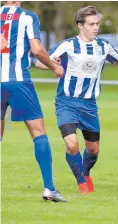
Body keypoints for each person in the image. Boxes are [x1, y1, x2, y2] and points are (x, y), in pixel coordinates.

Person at [35, 6, 118, 194]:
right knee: (71, 144)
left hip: (89, 106)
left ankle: (85, 172)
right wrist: (54, 66)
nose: (96, 27)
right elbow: (39, 62)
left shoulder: (104, 46)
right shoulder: (68, 45)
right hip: (66, 102)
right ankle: (81, 182)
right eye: (91, 24)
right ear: (80, 25)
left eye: (97, 24)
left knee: (93, 150)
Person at [0, 1, 66, 202]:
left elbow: (22, 55)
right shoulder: (27, 16)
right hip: (19, 82)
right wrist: (55, 68)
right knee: (38, 133)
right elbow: (36, 49)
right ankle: (49, 188)